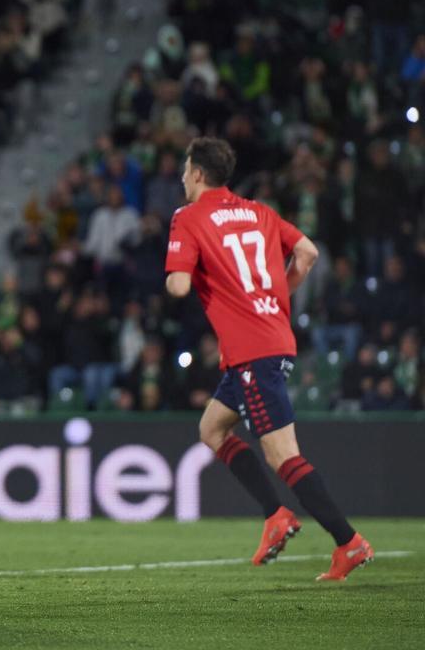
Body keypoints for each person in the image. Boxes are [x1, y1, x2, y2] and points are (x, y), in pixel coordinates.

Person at [165, 138, 372, 582]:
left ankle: (348, 542)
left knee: (282, 456)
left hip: (252, 350)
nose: (183, 177)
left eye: (186, 170)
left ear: (199, 174)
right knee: (211, 428)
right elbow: (308, 253)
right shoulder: (259, 211)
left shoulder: (189, 217)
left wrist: (175, 279)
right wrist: (277, 297)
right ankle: (275, 514)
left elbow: (180, 286)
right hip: (270, 340)